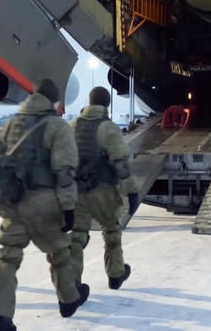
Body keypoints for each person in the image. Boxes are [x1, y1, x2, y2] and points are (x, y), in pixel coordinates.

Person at [0, 79, 88, 331]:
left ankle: (1, 317)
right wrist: (69, 207)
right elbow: (64, 171)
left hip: (13, 202)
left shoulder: (9, 125)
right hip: (44, 204)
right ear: (54, 101)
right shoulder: (57, 126)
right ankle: (68, 301)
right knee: (60, 253)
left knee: (7, 258)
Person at [70, 87, 139, 290]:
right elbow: (120, 163)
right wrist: (132, 191)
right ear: (106, 104)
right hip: (103, 190)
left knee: (77, 235)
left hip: (78, 190)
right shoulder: (108, 128)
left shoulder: (73, 125)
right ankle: (115, 274)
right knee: (111, 230)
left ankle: (72, 284)